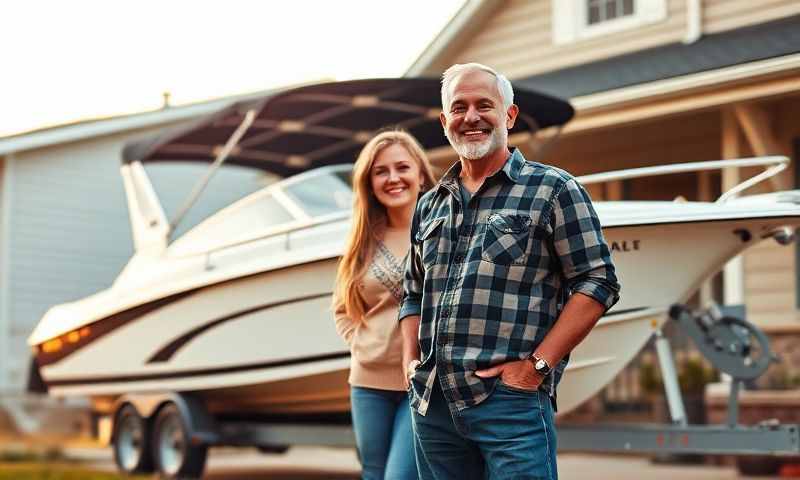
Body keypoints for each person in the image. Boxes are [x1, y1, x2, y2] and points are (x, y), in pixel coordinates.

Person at [399, 63, 621, 480]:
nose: (471, 117)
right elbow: (412, 293)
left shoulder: (553, 189)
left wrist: (537, 368)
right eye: (459, 108)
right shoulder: (429, 205)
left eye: (485, 105)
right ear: (445, 121)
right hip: (433, 406)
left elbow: (598, 281)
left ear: (509, 115)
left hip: (510, 404)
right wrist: (411, 365)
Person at [333, 130, 436, 480]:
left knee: (399, 476)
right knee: (373, 472)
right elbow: (343, 309)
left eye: (402, 167)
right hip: (367, 383)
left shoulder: (443, 229)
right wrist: (363, 344)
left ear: (421, 175)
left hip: (422, 380)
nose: (393, 178)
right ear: (370, 182)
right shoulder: (363, 239)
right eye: (381, 171)